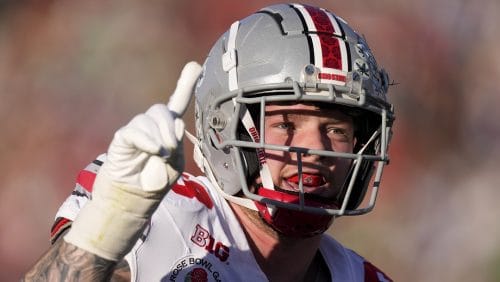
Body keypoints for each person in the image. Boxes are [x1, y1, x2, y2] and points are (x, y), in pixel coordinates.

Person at [24, 3, 395, 281]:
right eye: (285, 123)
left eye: (337, 130)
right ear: (224, 128)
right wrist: (108, 226)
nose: (316, 149)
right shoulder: (164, 216)